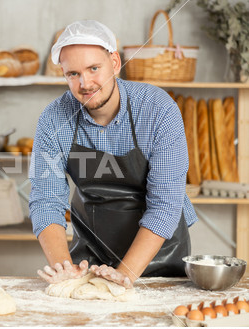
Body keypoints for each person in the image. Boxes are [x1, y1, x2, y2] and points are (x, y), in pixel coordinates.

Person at [29, 20, 197, 289]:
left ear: (115, 63)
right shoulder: (53, 119)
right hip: (90, 253)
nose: (85, 83)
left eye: (94, 68)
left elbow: (165, 204)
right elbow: (46, 200)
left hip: (159, 254)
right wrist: (63, 268)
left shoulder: (157, 110)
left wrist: (125, 273)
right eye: (73, 73)